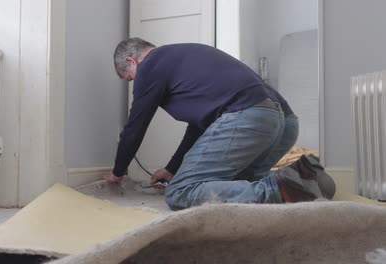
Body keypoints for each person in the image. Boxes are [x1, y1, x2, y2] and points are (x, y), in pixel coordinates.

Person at [104, 37, 335, 210]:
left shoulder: (151, 64)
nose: (135, 83)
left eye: (130, 77)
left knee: (180, 192)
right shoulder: (183, 58)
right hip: (282, 122)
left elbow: (136, 125)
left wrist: (118, 172)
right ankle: (304, 176)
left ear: (131, 61)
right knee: (236, 186)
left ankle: (282, 187)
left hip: (248, 117)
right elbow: (198, 127)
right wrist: (171, 169)